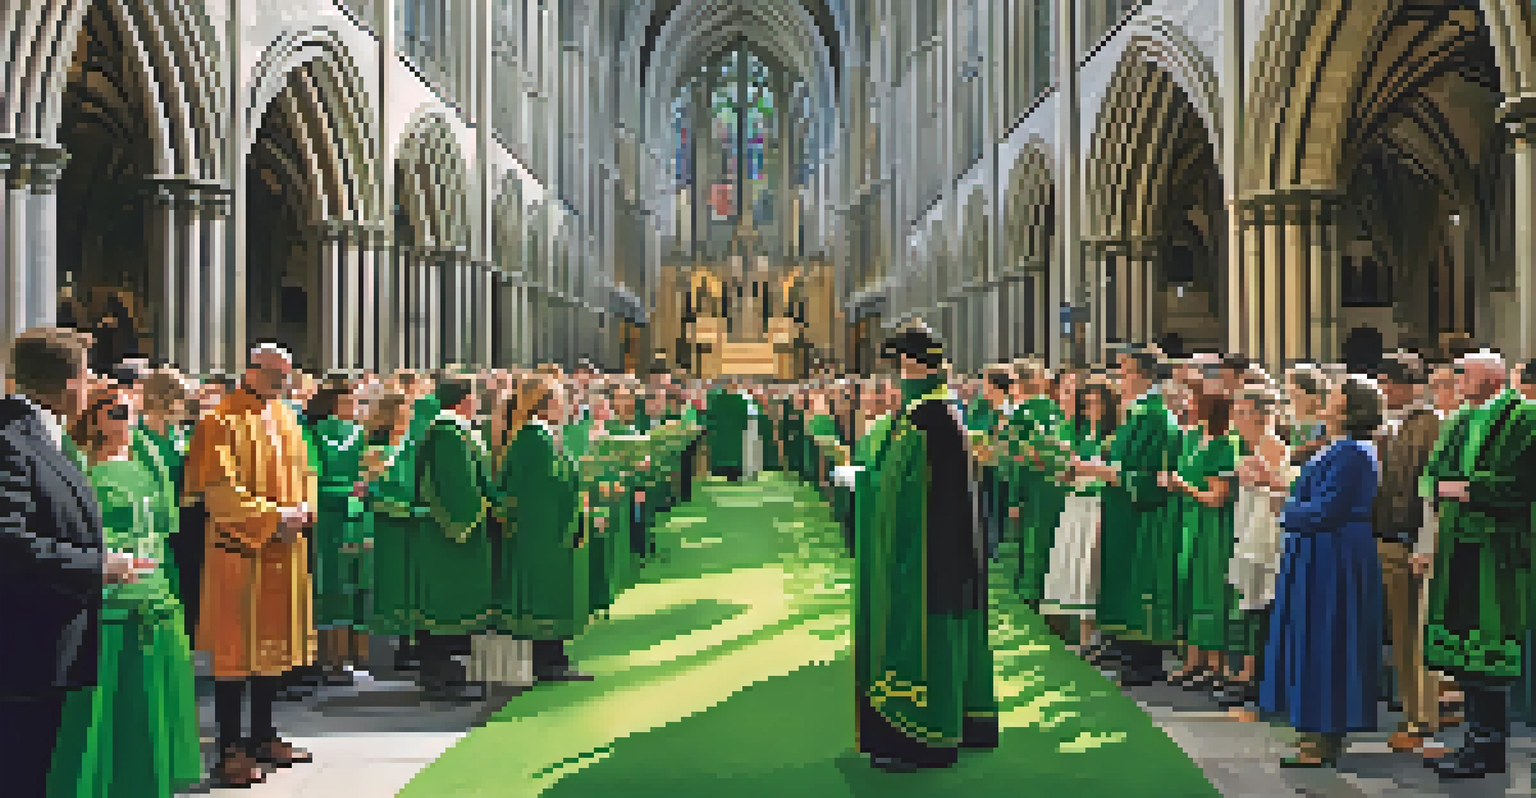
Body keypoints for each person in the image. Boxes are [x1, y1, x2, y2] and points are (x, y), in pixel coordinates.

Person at [48, 384, 203, 797]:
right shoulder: (78, 461)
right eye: (116, 412)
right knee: (102, 709)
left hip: (155, 593)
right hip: (108, 596)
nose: (126, 420)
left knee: (150, 707)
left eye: (131, 411)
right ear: (95, 417)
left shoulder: (148, 456)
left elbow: (165, 526)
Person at [855, 322, 995, 772]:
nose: (896, 375)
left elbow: (902, 497)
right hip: (947, 548)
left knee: (922, 637)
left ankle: (923, 737)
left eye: (898, 365)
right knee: (951, 629)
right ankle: (960, 722)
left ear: (913, 364)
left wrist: (867, 486)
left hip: (924, 555)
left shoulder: (925, 420)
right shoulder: (942, 411)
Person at [184, 343, 317, 786]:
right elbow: (220, 491)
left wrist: (304, 509)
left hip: (282, 551)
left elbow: (307, 472)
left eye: (287, 375)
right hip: (240, 553)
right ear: (251, 371)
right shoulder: (219, 421)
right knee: (234, 654)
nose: (283, 383)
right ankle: (229, 749)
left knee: (272, 651)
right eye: (276, 376)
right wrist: (275, 516)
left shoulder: (285, 418)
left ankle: (264, 735)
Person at [0, 329, 125, 798]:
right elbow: (8, 540)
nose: (92, 384)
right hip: (22, 646)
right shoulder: (10, 440)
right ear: (71, 383)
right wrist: (95, 567)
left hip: (45, 646)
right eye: (88, 374)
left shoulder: (42, 436)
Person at [1421, 351, 1536, 778]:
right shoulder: (1461, 420)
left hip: (1498, 551)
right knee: (1466, 655)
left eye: (1463, 374)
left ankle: (1488, 747)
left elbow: (1522, 481)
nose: (1456, 381)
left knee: (1490, 653)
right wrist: (1451, 486)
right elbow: (1433, 474)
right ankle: (1473, 742)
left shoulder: (1525, 417)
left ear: (1491, 377)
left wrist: (1469, 489)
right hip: (1460, 548)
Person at [1261, 373, 1384, 767]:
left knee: (1327, 638)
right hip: (1320, 550)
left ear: (1348, 407)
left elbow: (1330, 509)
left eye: (1333, 394)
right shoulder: (1339, 447)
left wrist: (1286, 509)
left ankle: (1323, 733)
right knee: (1313, 636)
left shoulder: (1353, 451)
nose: (1326, 399)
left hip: (1334, 555)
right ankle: (1314, 731)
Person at [1075, 346, 1182, 686]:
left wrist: (1106, 472)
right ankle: (1122, 650)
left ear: (1142, 375)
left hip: (1143, 517)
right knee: (1120, 580)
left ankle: (1143, 661)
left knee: (1138, 585)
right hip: (1122, 511)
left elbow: (1153, 477)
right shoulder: (1134, 413)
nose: (1118, 379)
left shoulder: (1155, 417)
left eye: (1124, 372)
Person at [494, 375, 593, 682]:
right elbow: (548, 485)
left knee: (551, 592)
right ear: (544, 405)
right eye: (559, 402)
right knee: (543, 596)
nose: (564, 408)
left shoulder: (543, 436)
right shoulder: (534, 438)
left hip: (548, 530)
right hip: (540, 532)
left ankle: (554, 656)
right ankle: (548, 661)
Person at [1369, 353, 1442, 753]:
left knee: (1412, 635)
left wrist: (1419, 541)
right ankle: (1414, 712)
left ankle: (1420, 717)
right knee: (1402, 635)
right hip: (1396, 537)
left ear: (1402, 385)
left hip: (1408, 539)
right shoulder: (1404, 425)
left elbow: (1422, 488)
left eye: (1385, 385)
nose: (1382, 394)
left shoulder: (1427, 425)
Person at [413, 374, 495, 701]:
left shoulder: (456, 430)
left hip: (456, 535)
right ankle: (439, 676)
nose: (477, 403)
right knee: (444, 605)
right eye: (474, 397)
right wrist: (484, 508)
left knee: (454, 604)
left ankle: (449, 673)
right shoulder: (447, 433)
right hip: (449, 534)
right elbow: (457, 485)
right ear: (463, 400)